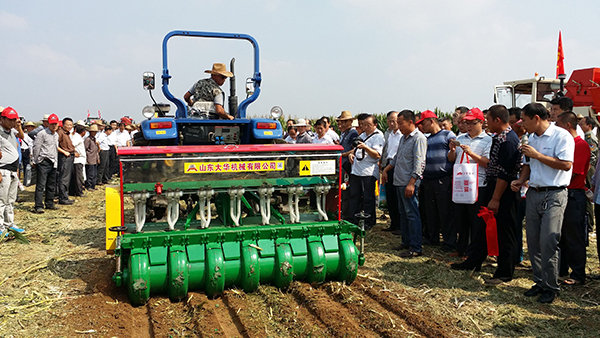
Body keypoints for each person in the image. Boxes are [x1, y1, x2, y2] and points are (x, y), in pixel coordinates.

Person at [511, 102, 574, 304]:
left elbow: (565, 165)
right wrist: (521, 180)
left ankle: (551, 286)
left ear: (536, 118)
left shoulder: (561, 136)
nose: (523, 125)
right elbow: (528, 165)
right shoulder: (530, 138)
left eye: (525, 120)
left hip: (554, 194)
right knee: (534, 241)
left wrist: (537, 155)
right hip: (534, 192)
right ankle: (539, 281)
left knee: (548, 240)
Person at [476, 105, 522, 285]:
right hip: (495, 187)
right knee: (495, 229)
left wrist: (495, 198)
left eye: (488, 119)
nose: (486, 122)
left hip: (504, 192)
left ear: (497, 120)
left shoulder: (509, 141)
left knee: (506, 232)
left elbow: (505, 173)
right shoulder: (499, 137)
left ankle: (505, 272)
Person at [448, 108, 492, 264]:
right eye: (466, 122)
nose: (468, 126)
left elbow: (487, 163)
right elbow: (452, 159)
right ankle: (461, 248)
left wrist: (471, 153)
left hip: (478, 185)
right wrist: (452, 150)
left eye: (472, 123)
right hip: (461, 183)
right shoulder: (461, 137)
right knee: (461, 218)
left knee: (476, 221)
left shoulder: (488, 140)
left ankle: (473, 252)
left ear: (480, 122)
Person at [382, 110, 427, 257]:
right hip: (399, 181)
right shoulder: (403, 138)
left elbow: (419, 163)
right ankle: (406, 242)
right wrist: (386, 170)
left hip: (408, 182)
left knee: (412, 214)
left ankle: (415, 247)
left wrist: (412, 183)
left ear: (411, 122)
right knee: (403, 213)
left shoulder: (418, 138)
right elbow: (396, 158)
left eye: (401, 123)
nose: (399, 126)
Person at [556, 112, 590, 286]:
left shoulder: (580, 145)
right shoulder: (567, 143)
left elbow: (573, 170)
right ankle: (561, 269)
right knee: (561, 235)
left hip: (573, 194)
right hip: (563, 192)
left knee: (574, 236)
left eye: (558, 125)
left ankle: (578, 274)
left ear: (568, 126)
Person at [417, 110, 457, 251]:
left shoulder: (448, 135)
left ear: (431, 121)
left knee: (445, 211)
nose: (422, 126)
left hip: (443, 179)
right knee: (430, 211)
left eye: (423, 123)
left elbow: (454, 155)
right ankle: (432, 238)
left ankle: (449, 242)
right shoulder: (426, 138)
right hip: (428, 179)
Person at [347, 114, 384, 230]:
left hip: (368, 172)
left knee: (368, 198)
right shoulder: (362, 135)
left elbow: (377, 155)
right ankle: (354, 219)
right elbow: (355, 148)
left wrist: (366, 148)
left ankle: (369, 221)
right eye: (364, 125)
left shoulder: (378, 136)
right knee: (355, 196)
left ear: (375, 125)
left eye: (369, 125)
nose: (366, 127)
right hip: (356, 170)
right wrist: (351, 154)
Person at [0, 107, 25, 235]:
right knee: (1, 200)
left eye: (14, 120)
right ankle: (0, 227)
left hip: (13, 170)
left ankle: (9, 223)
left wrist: (18, 126)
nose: (12, 123)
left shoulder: (11, 131)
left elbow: (22, 136)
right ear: (2, 119)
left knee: (10, 199)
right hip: (3, 169)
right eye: (10, 120)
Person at [32, 114, 60, 214]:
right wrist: (35, 161)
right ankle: (38, 206)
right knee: (41, 185)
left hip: (53, 161)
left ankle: (49, 203)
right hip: (43, 161)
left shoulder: (56, 135)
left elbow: (55, 148)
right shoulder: (42, 134)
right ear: (48, 123)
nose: (53, 126)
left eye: (55, 124)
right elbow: (36, 147)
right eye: (52, 124)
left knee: (51, 184)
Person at [381, 111, 402, 233]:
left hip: (396, 167)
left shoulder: (401, 135)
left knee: (397, 196)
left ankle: (399, 225)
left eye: (394, 121)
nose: (392, 123)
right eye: (389, 121)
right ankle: (393, 223)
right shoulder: (389, 134)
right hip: (387, 165)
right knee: (390, 197)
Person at [336, 111, 359, 219]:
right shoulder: (344, 133)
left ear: (350, 121)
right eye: (342, 122)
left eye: (345, 121)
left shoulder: (353, 133)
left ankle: (346, 214)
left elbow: (355, 149)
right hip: (342, 163)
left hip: (347, 164)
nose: (343, 124)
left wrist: (343, 154)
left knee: (346, 189)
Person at [579, 116, 597, 234]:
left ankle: (590, 224)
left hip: (590, 170)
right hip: (588, 168)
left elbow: (592, 157)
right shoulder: (587, 137)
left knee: (588, 195)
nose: (580, 125)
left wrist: (585, 171)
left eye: (582, 123)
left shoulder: (590, 138)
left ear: (589, 125)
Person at [57, 117, 75, 205]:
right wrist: (64, 152)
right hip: (64, 157)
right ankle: (63, 198)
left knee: (67, 178)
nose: (69, 126)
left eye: (71, 125)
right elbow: (55, 145)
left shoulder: (67, 133)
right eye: (68, 125)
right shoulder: (60, 132)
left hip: (70, 156)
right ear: (63, 125)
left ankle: (65, 196)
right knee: (64, 178)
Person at [70, 124, 86, 197]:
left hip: (78, 159)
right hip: (78, 159)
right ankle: (79, 192)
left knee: (76, 177)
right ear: (83, 132)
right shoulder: (77, 137)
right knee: (78, 177)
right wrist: (74, 152)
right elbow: (72, 145)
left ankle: (74, 191)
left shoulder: (76, 136)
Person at [84, 124, 100, 190]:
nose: (95, 133)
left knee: (94, 174)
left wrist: (98, 158)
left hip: (94, 158)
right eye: (94, 132)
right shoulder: (88, 139)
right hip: (90, 158)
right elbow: (85, 148)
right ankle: (89, 186)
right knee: (90, 174)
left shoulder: (94, 139)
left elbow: (96, 150)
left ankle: (93, 185)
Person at [21, 121, 36, 186]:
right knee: (24, 166)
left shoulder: (34, 135)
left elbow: (31, 145)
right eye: (28, 126)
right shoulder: (24, 134)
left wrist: (31, 152)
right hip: (23, 150)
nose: (30, 128)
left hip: (28, 151)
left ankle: (28, 180)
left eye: (31, 126)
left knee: (27, 166)